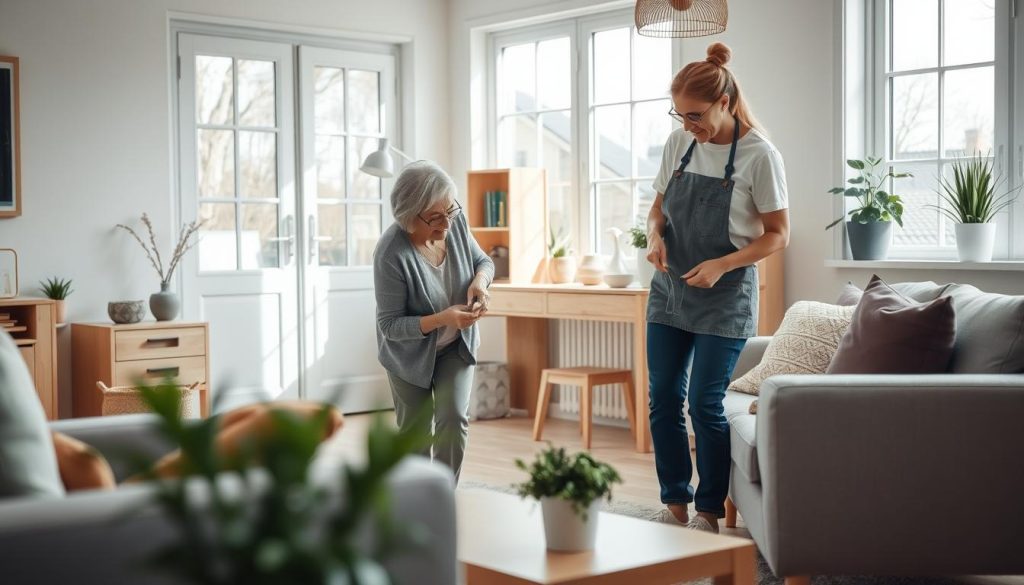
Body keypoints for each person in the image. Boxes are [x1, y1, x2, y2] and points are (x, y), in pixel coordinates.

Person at [645, 42, 790, 533]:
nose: (688, 124)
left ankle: (708, 511)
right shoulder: (677, 145)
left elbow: (779, 234)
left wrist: (722, 265)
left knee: (705, 402)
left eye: (696, 114)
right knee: (663, 396)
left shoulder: (759, 155)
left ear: (724, 102)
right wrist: (653, 238)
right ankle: (674, 501)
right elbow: (656, 210)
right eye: (680, 114)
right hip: (670, 288)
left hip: (725, 294)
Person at [373, 161, 494, 483]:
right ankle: (417, 501)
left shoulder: (453, 220)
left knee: (453, 420)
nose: (446, 225)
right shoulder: (391, 253)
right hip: (408, 355)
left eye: (449, 212)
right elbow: (390, 326)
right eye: (435, 218)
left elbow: (483, 260)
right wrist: (444, 318)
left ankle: (442, 497)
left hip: (456, 346)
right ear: (409, 215)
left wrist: (480, 282)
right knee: (415, 434)